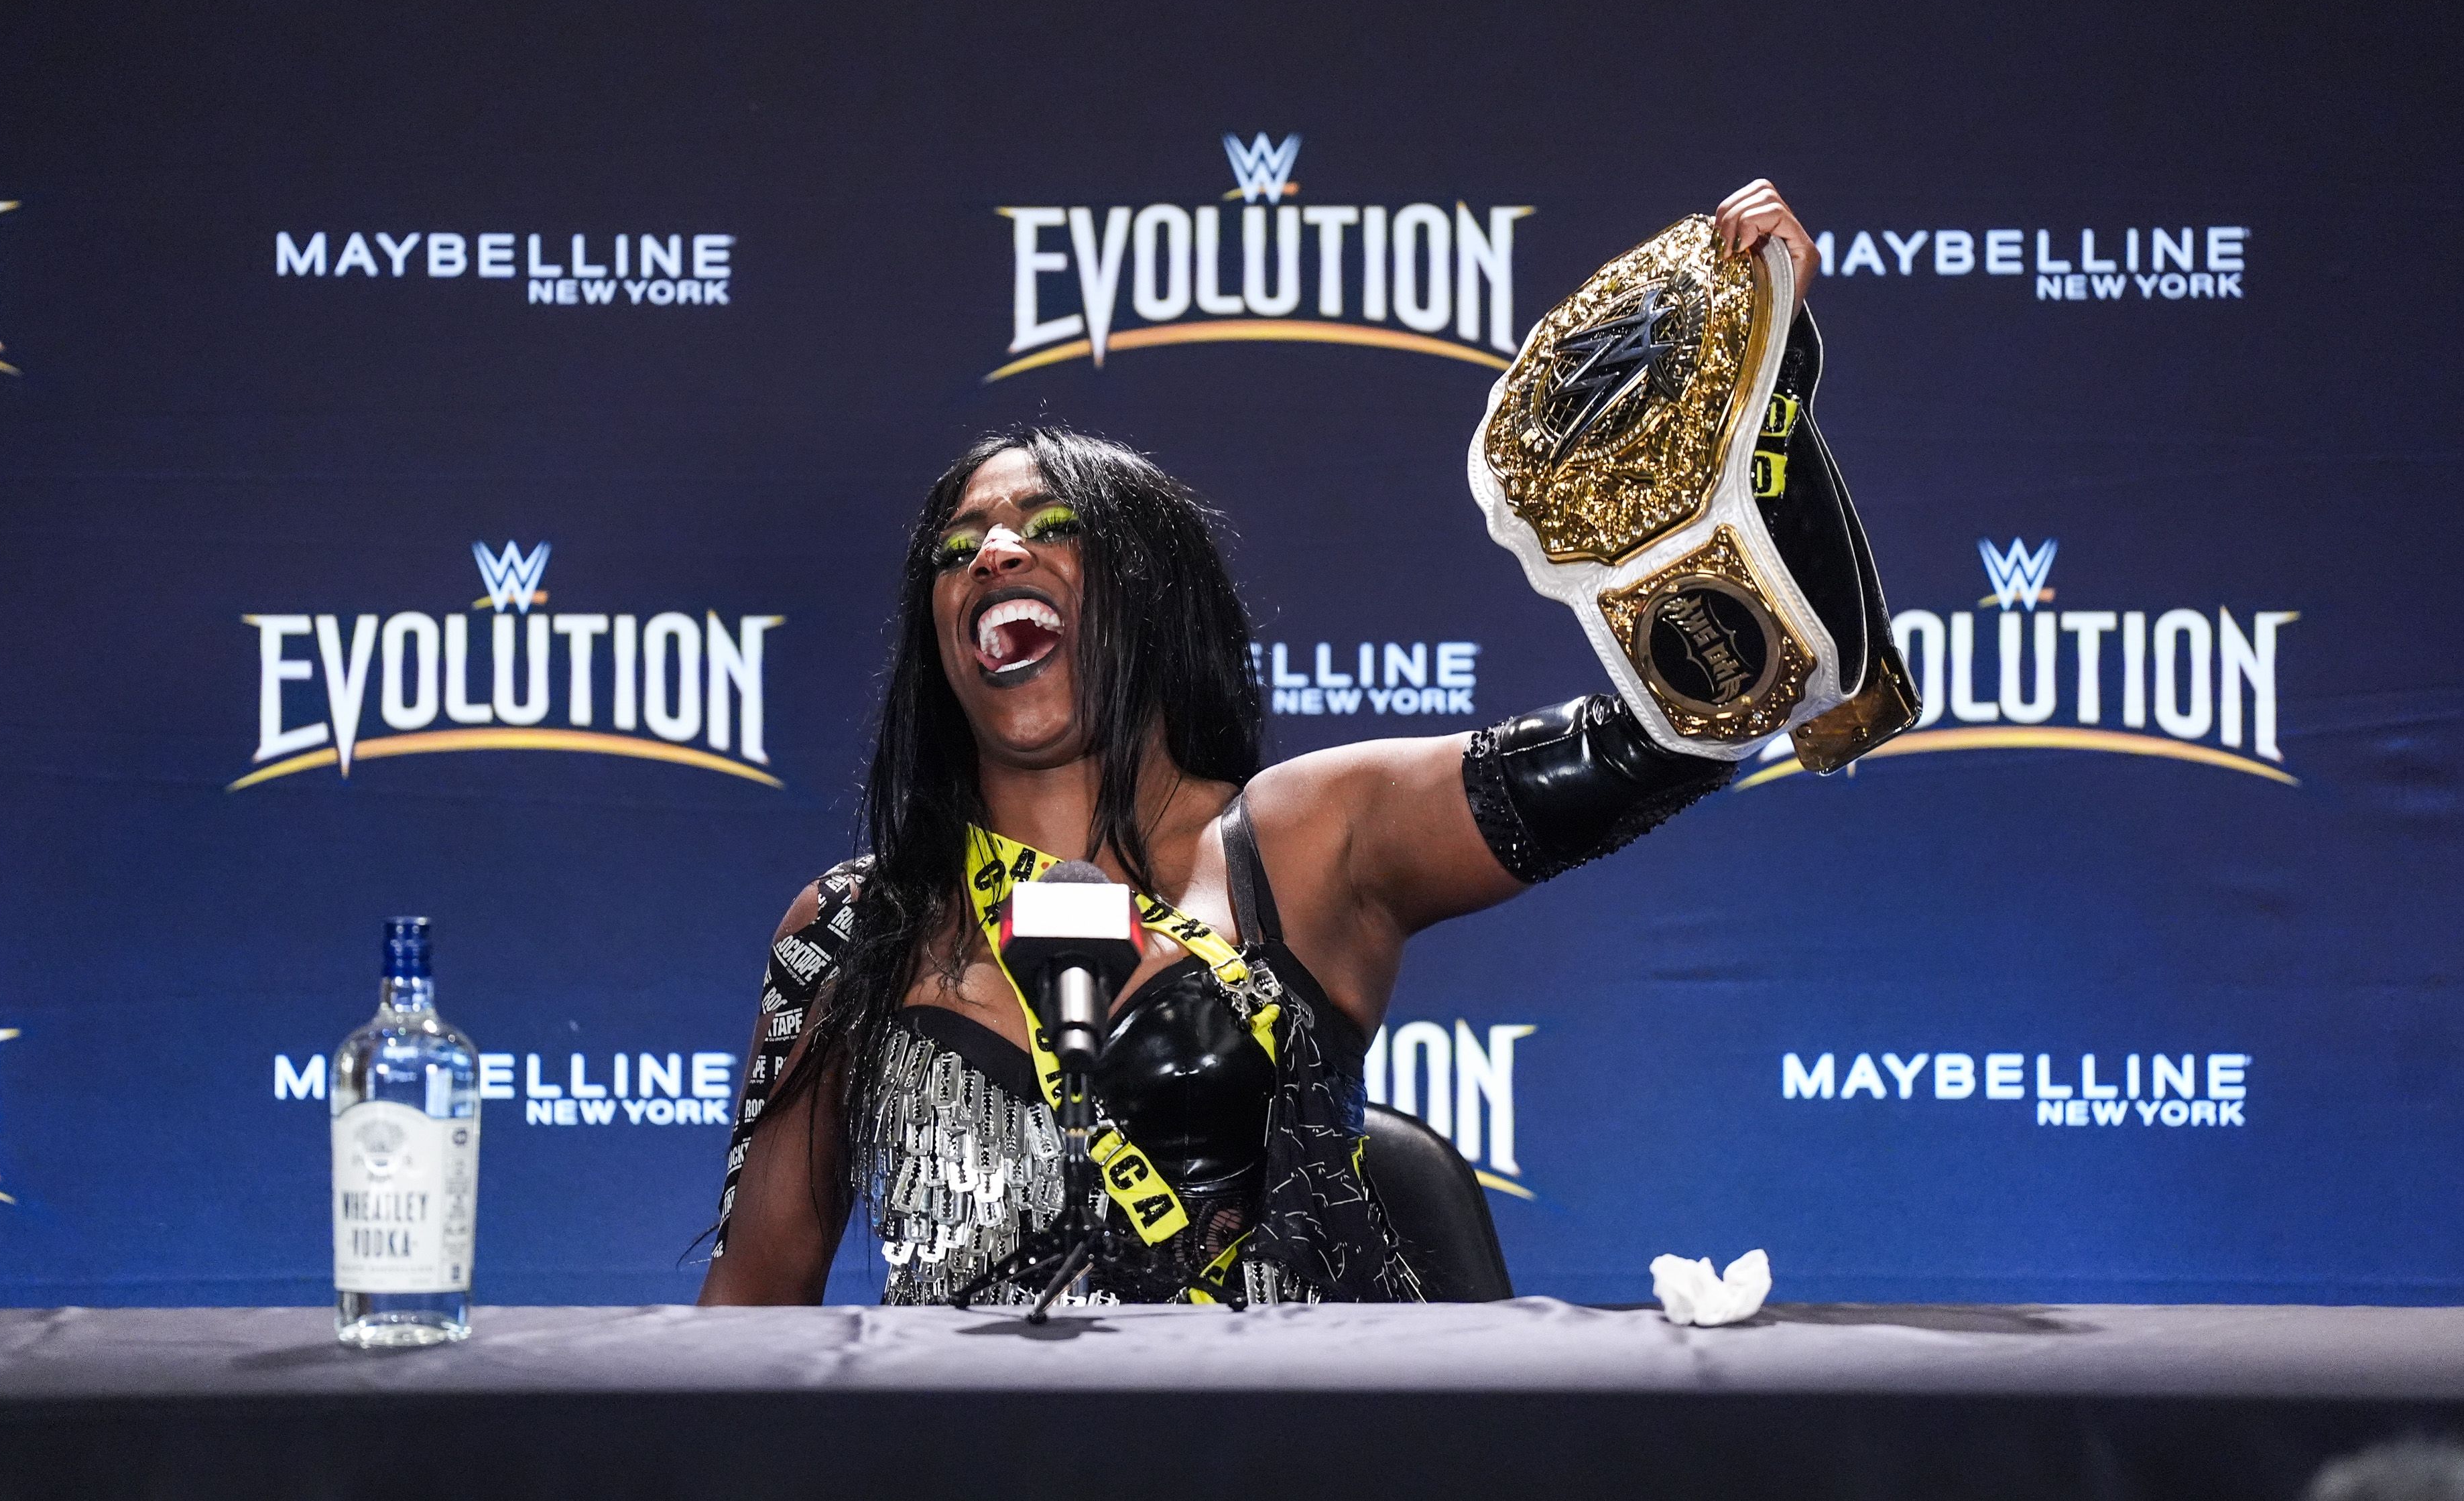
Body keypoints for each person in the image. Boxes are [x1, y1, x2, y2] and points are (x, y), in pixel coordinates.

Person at [700, 180, 1869, 1307]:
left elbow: (1677, 735)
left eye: (1049, 527)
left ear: (1151, 596)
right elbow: (753, 1302)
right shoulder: (849, 929)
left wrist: (1761, 417)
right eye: (958, 551)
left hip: (1279, 1428)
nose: (995, 554)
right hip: (963, 1436)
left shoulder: (1306, 841)